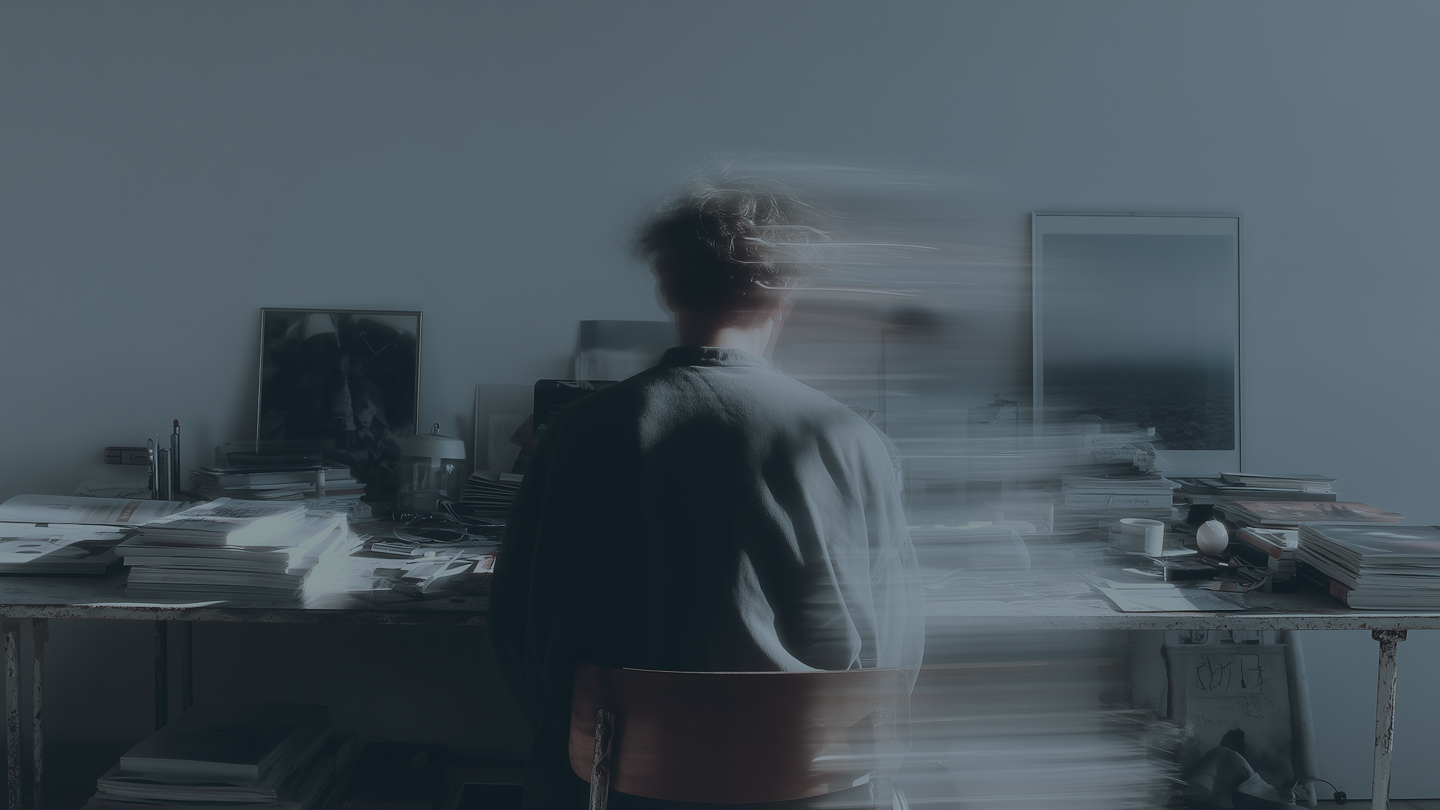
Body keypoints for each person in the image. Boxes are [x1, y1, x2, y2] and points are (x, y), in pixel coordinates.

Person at [488, 180, 926, 808]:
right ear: (785, 290)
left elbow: (516, 635)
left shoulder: (578, 433)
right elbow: (896, 659)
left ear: (665, 281)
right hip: (816, 796)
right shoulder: (855, 441)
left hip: (611, 794)